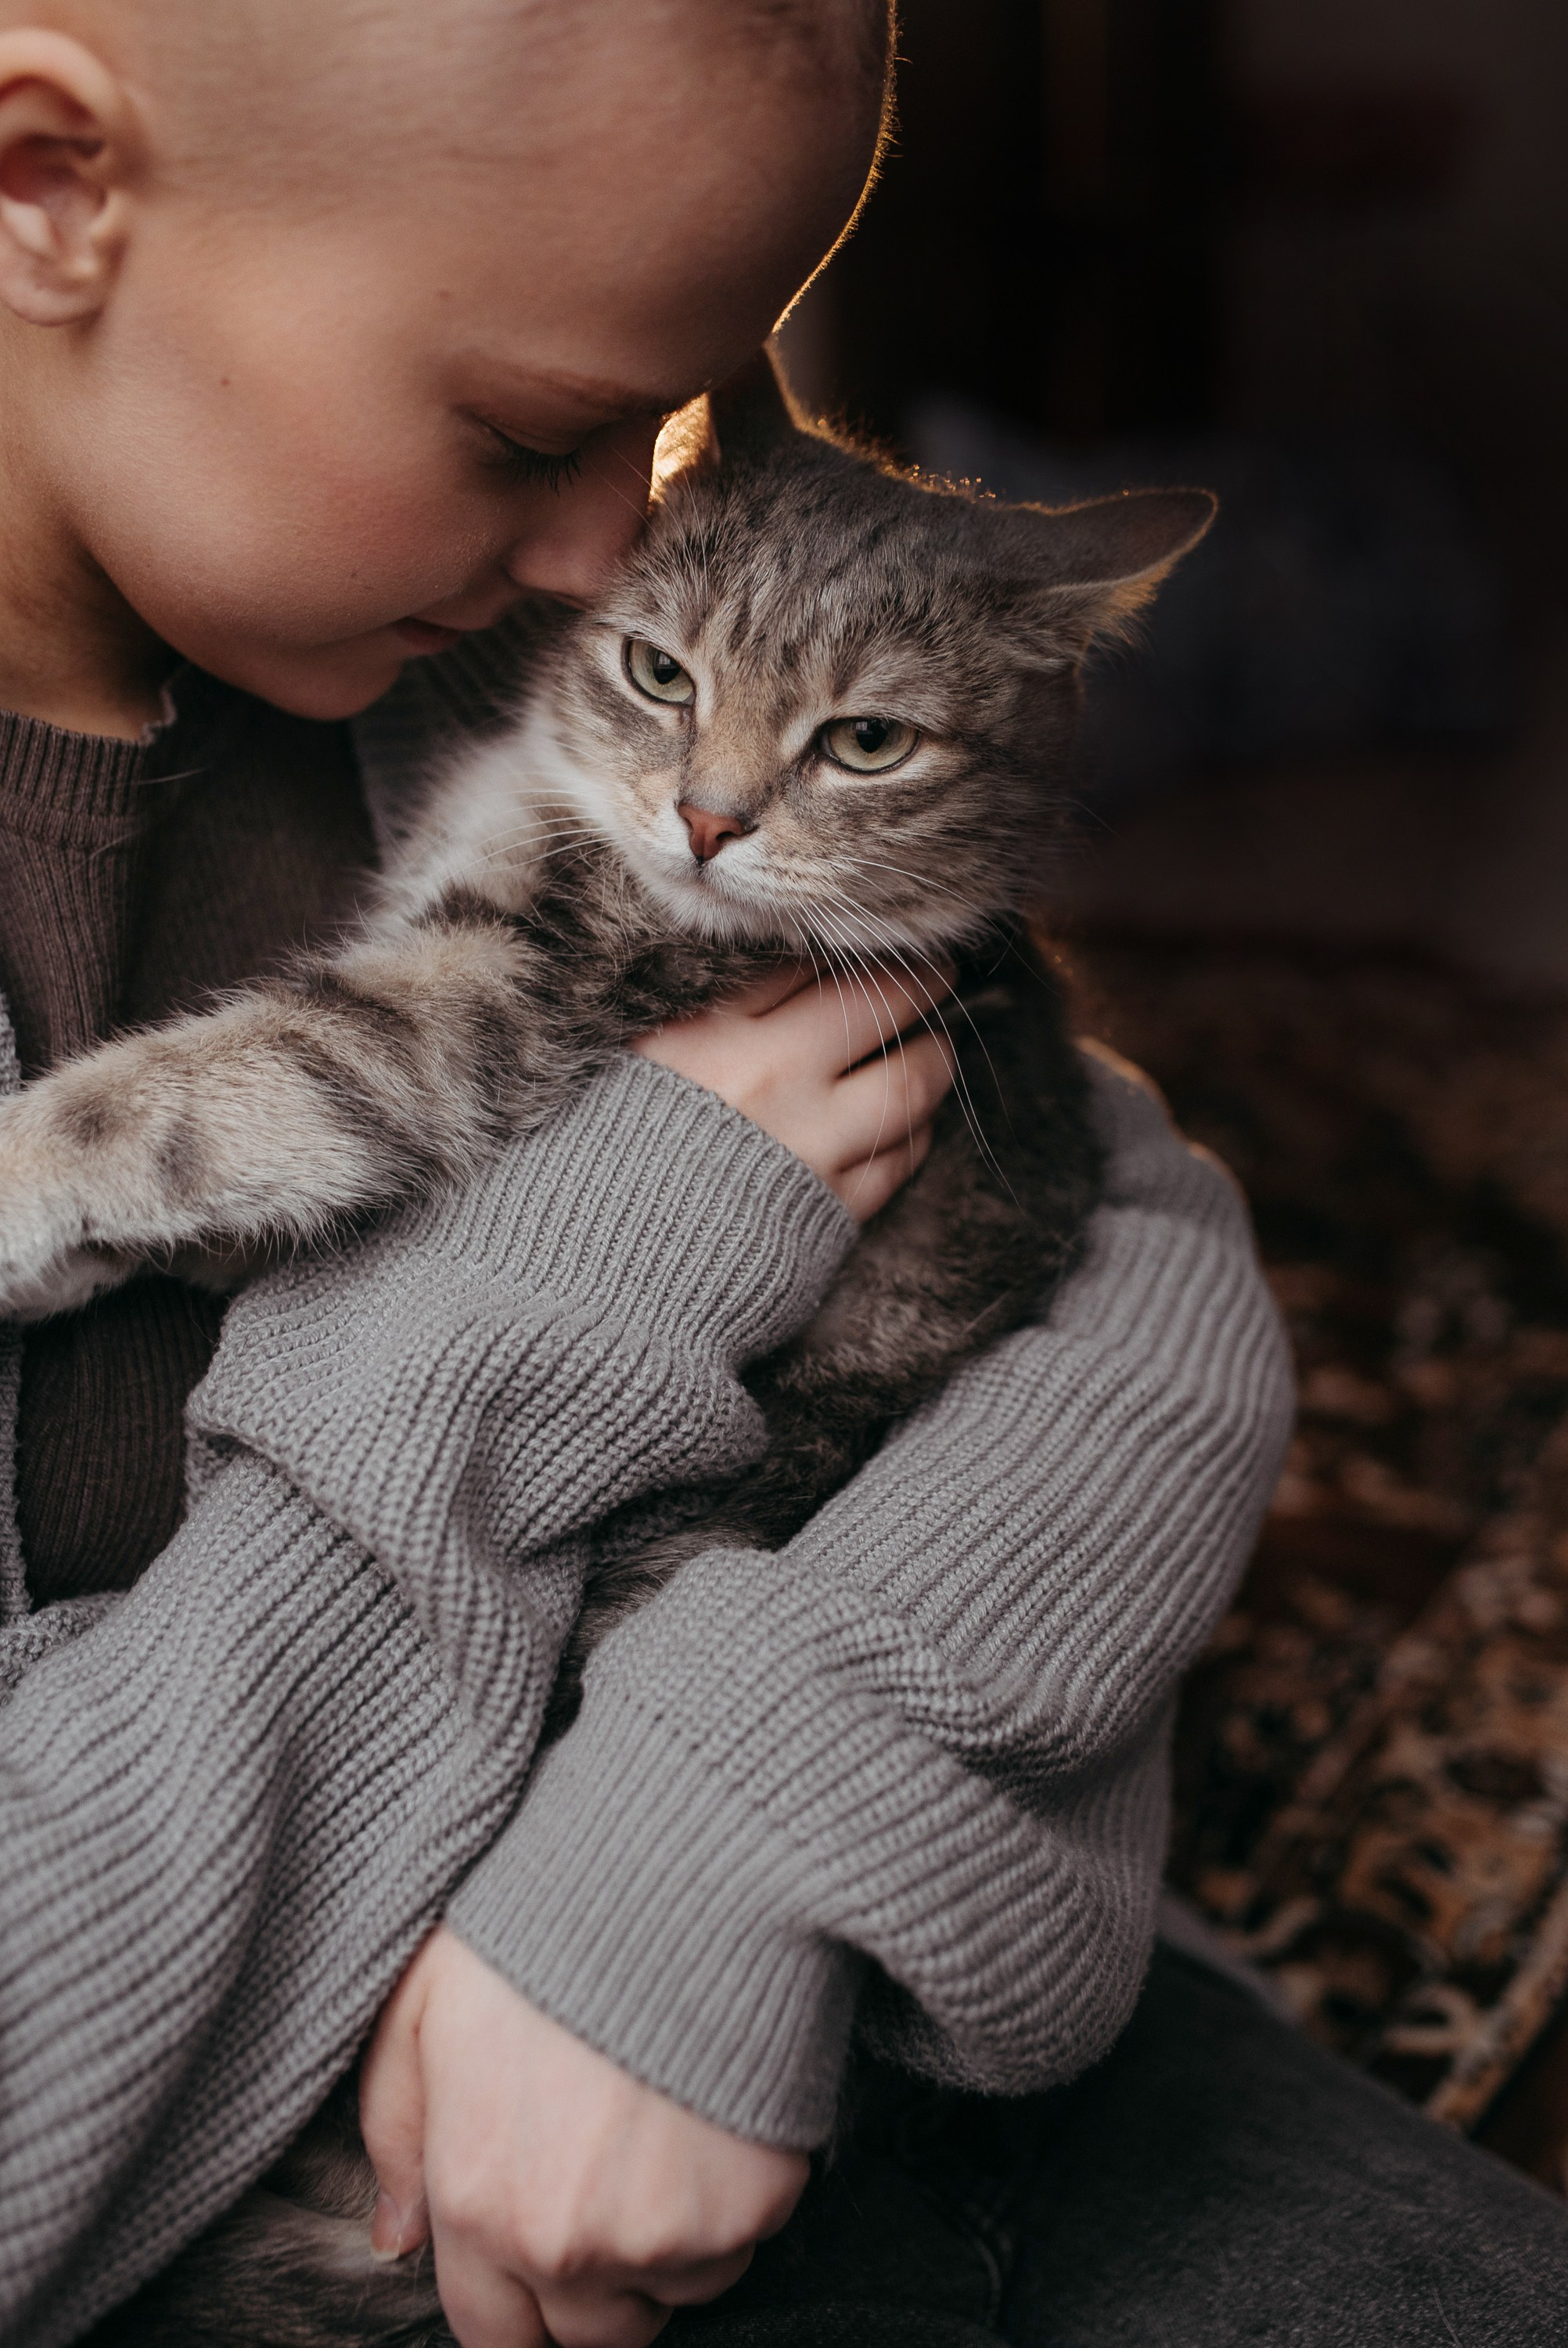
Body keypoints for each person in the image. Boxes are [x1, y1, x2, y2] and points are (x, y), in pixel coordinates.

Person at [0, 5, 1563, 2346]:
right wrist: (559, 1291)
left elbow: (1146, 1283)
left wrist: (705, 1849)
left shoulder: (524, 641)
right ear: (45, 183)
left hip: (785, 1917)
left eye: (690, 422)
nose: (623, 540)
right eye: (538, 423)